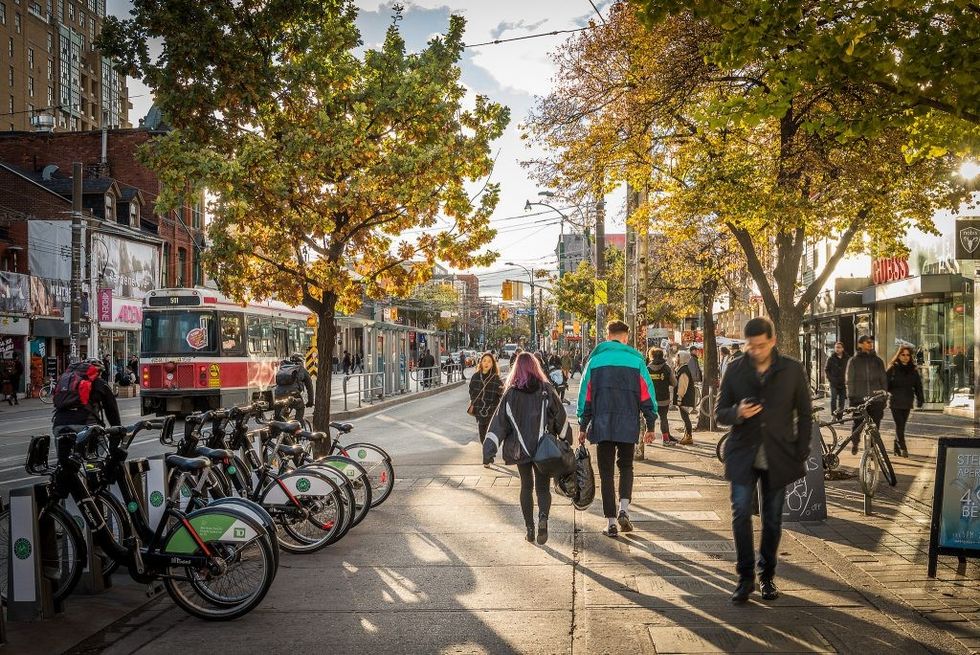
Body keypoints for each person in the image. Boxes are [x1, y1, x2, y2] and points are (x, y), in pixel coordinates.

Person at [716, 317, 812, 604]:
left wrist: (801, 449)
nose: (755, 351)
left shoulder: (792, 369)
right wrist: (738, 413)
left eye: (761, 345)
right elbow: (720, 412)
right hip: (743, 452)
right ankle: (745, 578)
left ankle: (767, 575)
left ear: (772, 341)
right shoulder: (735, 369)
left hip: (778, 454)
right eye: (750, 346)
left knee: (772, 519)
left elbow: (805, 413)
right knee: (740, 513)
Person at [578, 321, 657, 537]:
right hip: (628, 423)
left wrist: (583, 425)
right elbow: (647, 394)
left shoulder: (594, 360)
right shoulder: (636, 360)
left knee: (606, 473)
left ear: (607, 335)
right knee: (626, 466)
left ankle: (611, 522)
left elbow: (585, 396)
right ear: (625, 337)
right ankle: (624, 509)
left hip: (602, 424)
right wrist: (651, 424)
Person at [484, 352, 568, 545]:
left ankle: (529, 529)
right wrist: (565, 438)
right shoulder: (547, 390)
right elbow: (560, 418)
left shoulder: (510, 394)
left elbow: (499, 424)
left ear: (516, 369)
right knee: (542, 487)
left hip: (519, 449)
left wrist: (489, 451)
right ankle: (543, 520)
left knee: (526, 486)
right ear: (535, 366)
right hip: (543, 449)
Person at [52, 359, 122, 442]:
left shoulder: (69, 383)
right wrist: (117, 430)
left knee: (63, 453)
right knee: (102, 445)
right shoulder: (100, 384)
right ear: (98, 372)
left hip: (59, 424)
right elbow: (111, 409)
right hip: (85, 424)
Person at [845, 335, 887, 455]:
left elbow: (883, 379)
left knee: (874, 427)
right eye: (867, 342)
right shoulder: (853, 361)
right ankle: (855, 443)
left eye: (871, 342)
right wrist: (852, 398)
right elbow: (850, 381)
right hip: (859, 400)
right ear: (860, 344)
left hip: (876, 400)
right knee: (857, 424)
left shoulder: (878, 361)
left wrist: (883, 397)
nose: (870, 344)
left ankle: (873, 450)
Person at [886, 345, 924, 458]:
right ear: (898, 356)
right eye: (903, 355)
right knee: (900, 425)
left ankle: (896, 447)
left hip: (907, 401)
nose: (906, 357)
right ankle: (903, 447)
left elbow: (918, 386)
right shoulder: (892, 369)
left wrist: (920, 399)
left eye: (908, 355)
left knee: (902, 425)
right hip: (895, 402)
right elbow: (885, 384)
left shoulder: (913, 370)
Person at [469, 353, 504, 466]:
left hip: (492, 411)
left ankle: (487, 458)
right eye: (484, 361)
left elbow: (501, 393)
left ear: (493, 364)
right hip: (479, 411)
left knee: (490, 435)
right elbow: (471, 391)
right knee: (482, 435)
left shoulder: (496, 378)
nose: (486, 363)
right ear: (481, 362)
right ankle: (488, 454)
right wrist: (476, 401)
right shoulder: (475, 377)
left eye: (489, 361)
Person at [647, 347, 678, 445]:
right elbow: (674, 383)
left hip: (650, 399)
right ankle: (665, 439)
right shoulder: (666, 368)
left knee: (649, 418)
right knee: (663, 418)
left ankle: (648, 440)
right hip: (664, 398)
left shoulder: (647, 369)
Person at [274, 353, 315, 421]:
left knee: (278, 416)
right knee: (301, 407)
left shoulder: (283, 367)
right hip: (293, 394)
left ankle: (277, 427)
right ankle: (297, 426)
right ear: (301, 362)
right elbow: (309, 388)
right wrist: (310, 402)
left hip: (278, 394)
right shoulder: (302, 370)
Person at [673, 350, 696, 445]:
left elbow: (683, 386)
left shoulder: (683, 370)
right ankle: (686, 435)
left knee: (685, 417)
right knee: (684, 417)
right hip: (685, 397)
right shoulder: (682, 369)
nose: (676, 358)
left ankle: (689, 436)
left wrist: (679, 397)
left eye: (678, 357)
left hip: (685, 398)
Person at [824, 342, 850, 417]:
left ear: (842, 349)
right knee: (833, 399)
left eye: (839, 347)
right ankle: (833, 415)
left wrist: (847, 379)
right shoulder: (831, 358)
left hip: (843, 383)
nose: (837, 349)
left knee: (842, 401)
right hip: (833, 383)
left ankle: (840, 416)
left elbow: (850, 369)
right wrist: (830, 379)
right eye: (836, 347)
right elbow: (826, 369)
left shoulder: (847, 358)